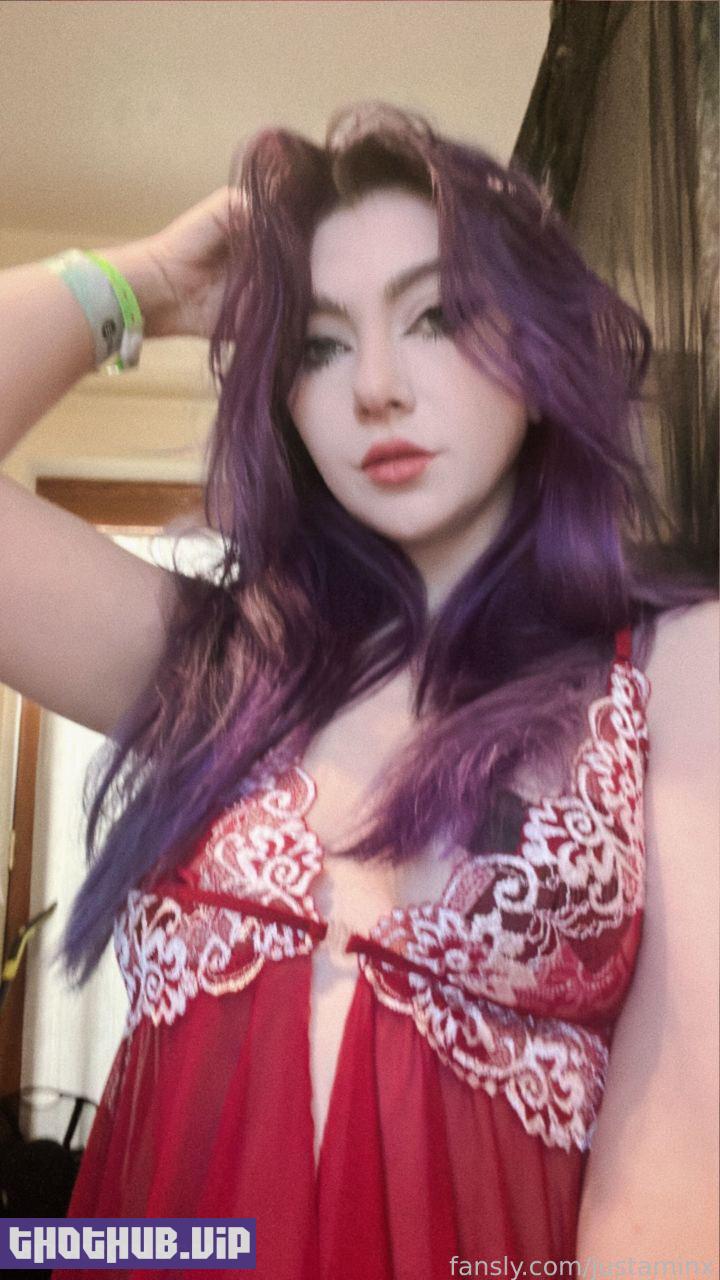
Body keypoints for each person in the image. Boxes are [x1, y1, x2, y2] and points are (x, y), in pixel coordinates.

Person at [0, 101, 717, 1279]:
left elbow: (678, 1182)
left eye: (435, 316)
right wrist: (137, 285)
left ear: (537, 353)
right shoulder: (211, 664)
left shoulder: (674, 667)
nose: (375, 386)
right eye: (319, 345)